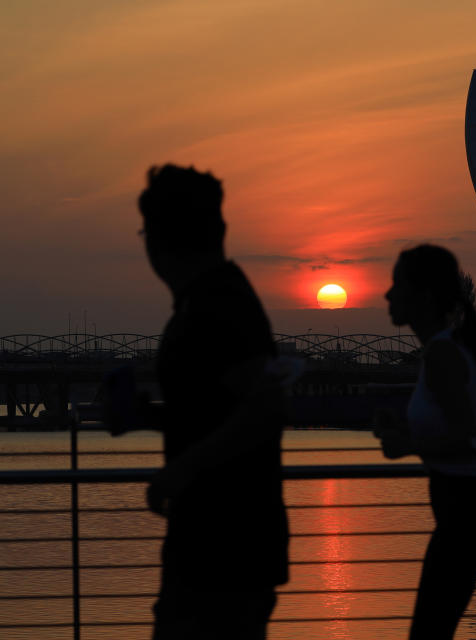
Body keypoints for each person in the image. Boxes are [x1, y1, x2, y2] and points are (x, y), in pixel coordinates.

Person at [134, 164, 289, 639]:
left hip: (223, 551)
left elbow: (266, 409)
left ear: (159, 239)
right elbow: (224, 410)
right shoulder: (210, 299)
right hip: (217, 545)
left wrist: (183, 469)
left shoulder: (217, 303)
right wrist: (152, 416)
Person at [375, 244, 476, 640]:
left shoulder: (442, 354)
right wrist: (401, 429)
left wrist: (407, 445)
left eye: (397, 284)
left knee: (428, 634)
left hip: (468, 511)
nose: (387, 294)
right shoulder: (444, 350)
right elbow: (454, 424)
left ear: (424, 296)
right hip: (465, 511)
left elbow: (467, 437)